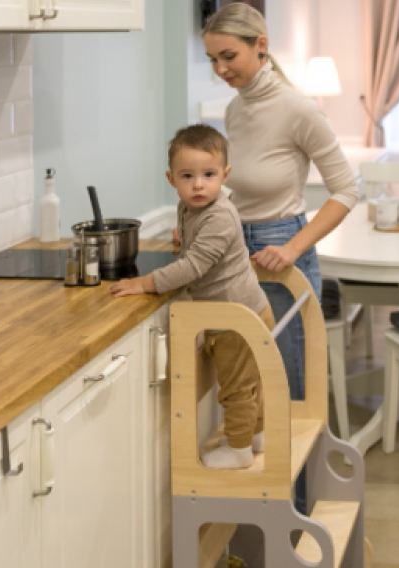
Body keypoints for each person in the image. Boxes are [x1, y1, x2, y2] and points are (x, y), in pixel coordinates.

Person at [200, 2, 359, 511]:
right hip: (236, 255)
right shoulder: (235, 109)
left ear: (261, 46)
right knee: (248, 385)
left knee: (288, 394)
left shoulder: (298, 109)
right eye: (213, 59)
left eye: (229, 56)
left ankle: (299, 517)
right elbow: (237, 192)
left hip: (281, 256)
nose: (221, 69)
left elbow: (346, 191)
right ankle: (267, 519)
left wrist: (292, 247)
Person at [110, 123, 275, 470]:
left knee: (237, 388)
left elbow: (194, 266)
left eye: (208, 175)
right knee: (249, 383)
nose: (198, 185)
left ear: (225, 175)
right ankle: (255, 435)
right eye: (188, 176)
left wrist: (145, 283)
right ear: (171, 179)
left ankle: (240, 450)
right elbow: (196, 248)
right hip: (240, 312)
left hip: (237, 319)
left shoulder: (219, 216)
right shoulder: (190, 208)